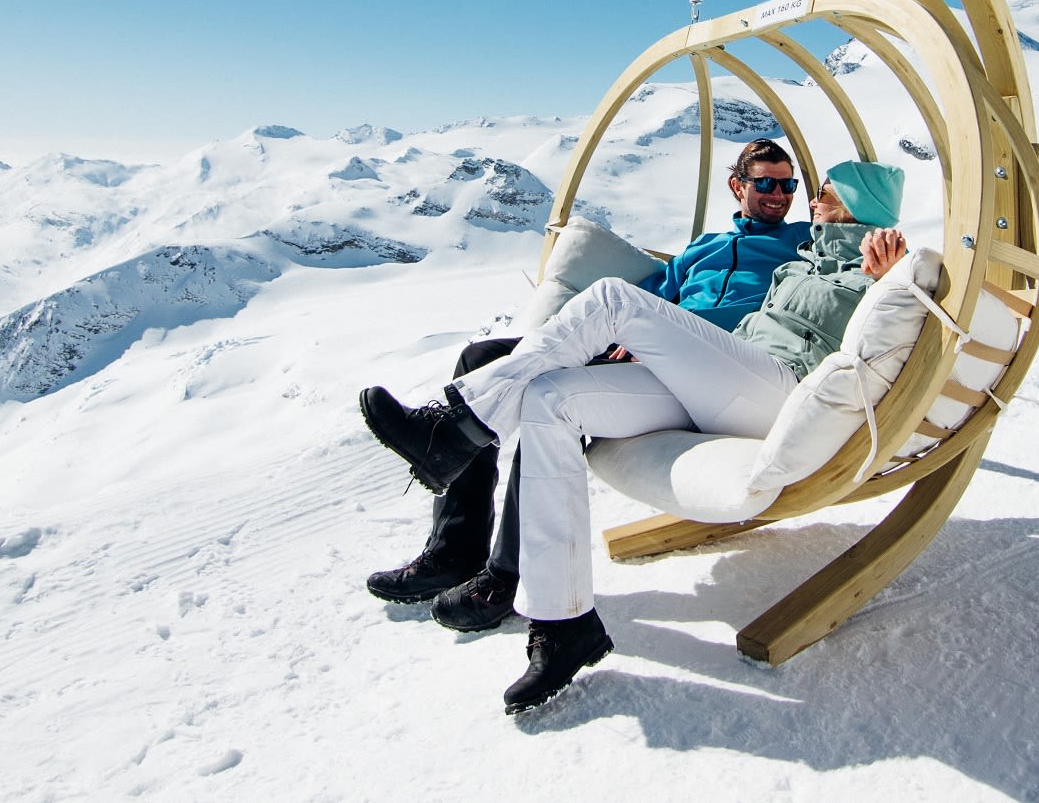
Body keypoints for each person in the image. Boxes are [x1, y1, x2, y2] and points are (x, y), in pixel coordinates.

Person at [361, 159, 908, 713]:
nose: (802, 199)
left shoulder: (874, 261)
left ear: (861, 207)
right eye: (777, 185)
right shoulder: (794, 254)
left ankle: (454, 430)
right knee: (552, 400)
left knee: (612, 299)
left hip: (779, 390)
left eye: (817, 192)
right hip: (709, 380)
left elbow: (903, 306)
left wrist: (889, 274)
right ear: (738, 187)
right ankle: (564, 622)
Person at [362, 139, 815, 630]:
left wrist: (661, 336)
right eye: (766, 182)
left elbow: (780, 314)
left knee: (549, 390)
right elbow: (654, 295)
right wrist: (632, 330)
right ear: (738, 186)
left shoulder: (799, 245)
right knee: (480, 356)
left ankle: (506, 572)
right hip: (638, 347)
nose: (779, 195)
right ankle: (454, 548)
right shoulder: (702, 249)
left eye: (788, 185)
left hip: (706, 364)